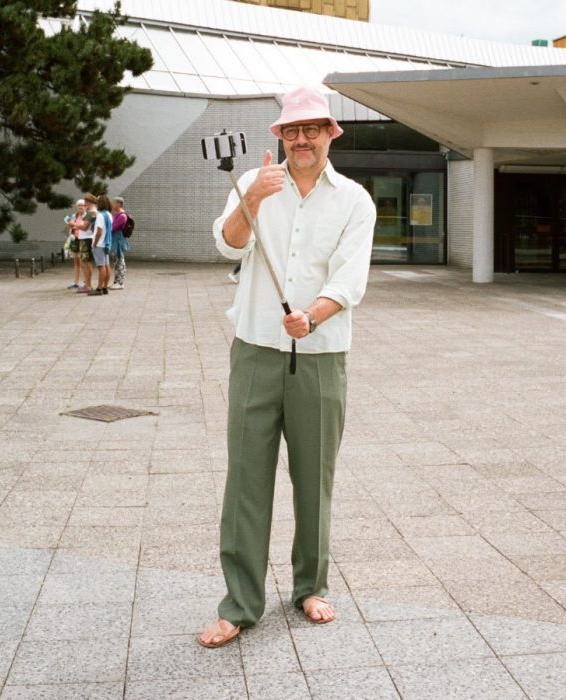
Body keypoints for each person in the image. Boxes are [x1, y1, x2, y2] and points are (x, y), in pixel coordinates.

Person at [198, 87, 376, 648]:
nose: (302, 139)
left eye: (312, 129)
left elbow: (349, 278)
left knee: (314, 478)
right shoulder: (256, 182)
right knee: (245, 480)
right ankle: (239, 604)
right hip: (255, 349)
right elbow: (228, 246)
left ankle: (310, 587)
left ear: (330, 135)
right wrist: (251, 198)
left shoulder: (354, 201)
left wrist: (313, 315)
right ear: (280, 136)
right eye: (292, 130)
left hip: (320, 357)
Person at [88, 195, 113, 296]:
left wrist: (94, 243)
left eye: (97, 202)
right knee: (106, 266)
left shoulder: (100, 216)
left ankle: (99, 288)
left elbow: (99, 231)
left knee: (101, 267)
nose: (96, 204)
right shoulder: (109, 215)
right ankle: (105, 287)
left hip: (99, 244)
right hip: (106, 243)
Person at [75, 193, 97, 293]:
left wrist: (74, 224)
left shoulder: (91, 213)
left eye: (86, 203)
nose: (84, 205)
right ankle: (87, 284)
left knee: (86, 263)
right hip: (87, 239)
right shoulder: (94, 212)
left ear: (90, 202)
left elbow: (84, 227)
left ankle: (88, 285)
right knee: (86, 263)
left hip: (86, 239)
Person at [65, 199, 85, 289]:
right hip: (74, 239)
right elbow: (71, 226)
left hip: (82, 240)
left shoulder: (86, 216)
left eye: (82, 205)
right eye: (79, 205)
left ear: (85, 207)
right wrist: (70, 224)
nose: (80, 207)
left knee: (83, 262)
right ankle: (76, 282)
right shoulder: (74, 215)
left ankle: (85, 282)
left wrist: (75, 225)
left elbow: (85, 227)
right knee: (76, 262)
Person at [109, 196, 129, 289]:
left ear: (119, 204)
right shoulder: (116, 214)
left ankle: (120, 283)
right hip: (115, 240)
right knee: (117, 261)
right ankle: (116, 281)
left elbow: (113, 228)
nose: (112, 205)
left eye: (114, 203)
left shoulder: (122, 216)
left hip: (119, 241)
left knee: (120, 261)